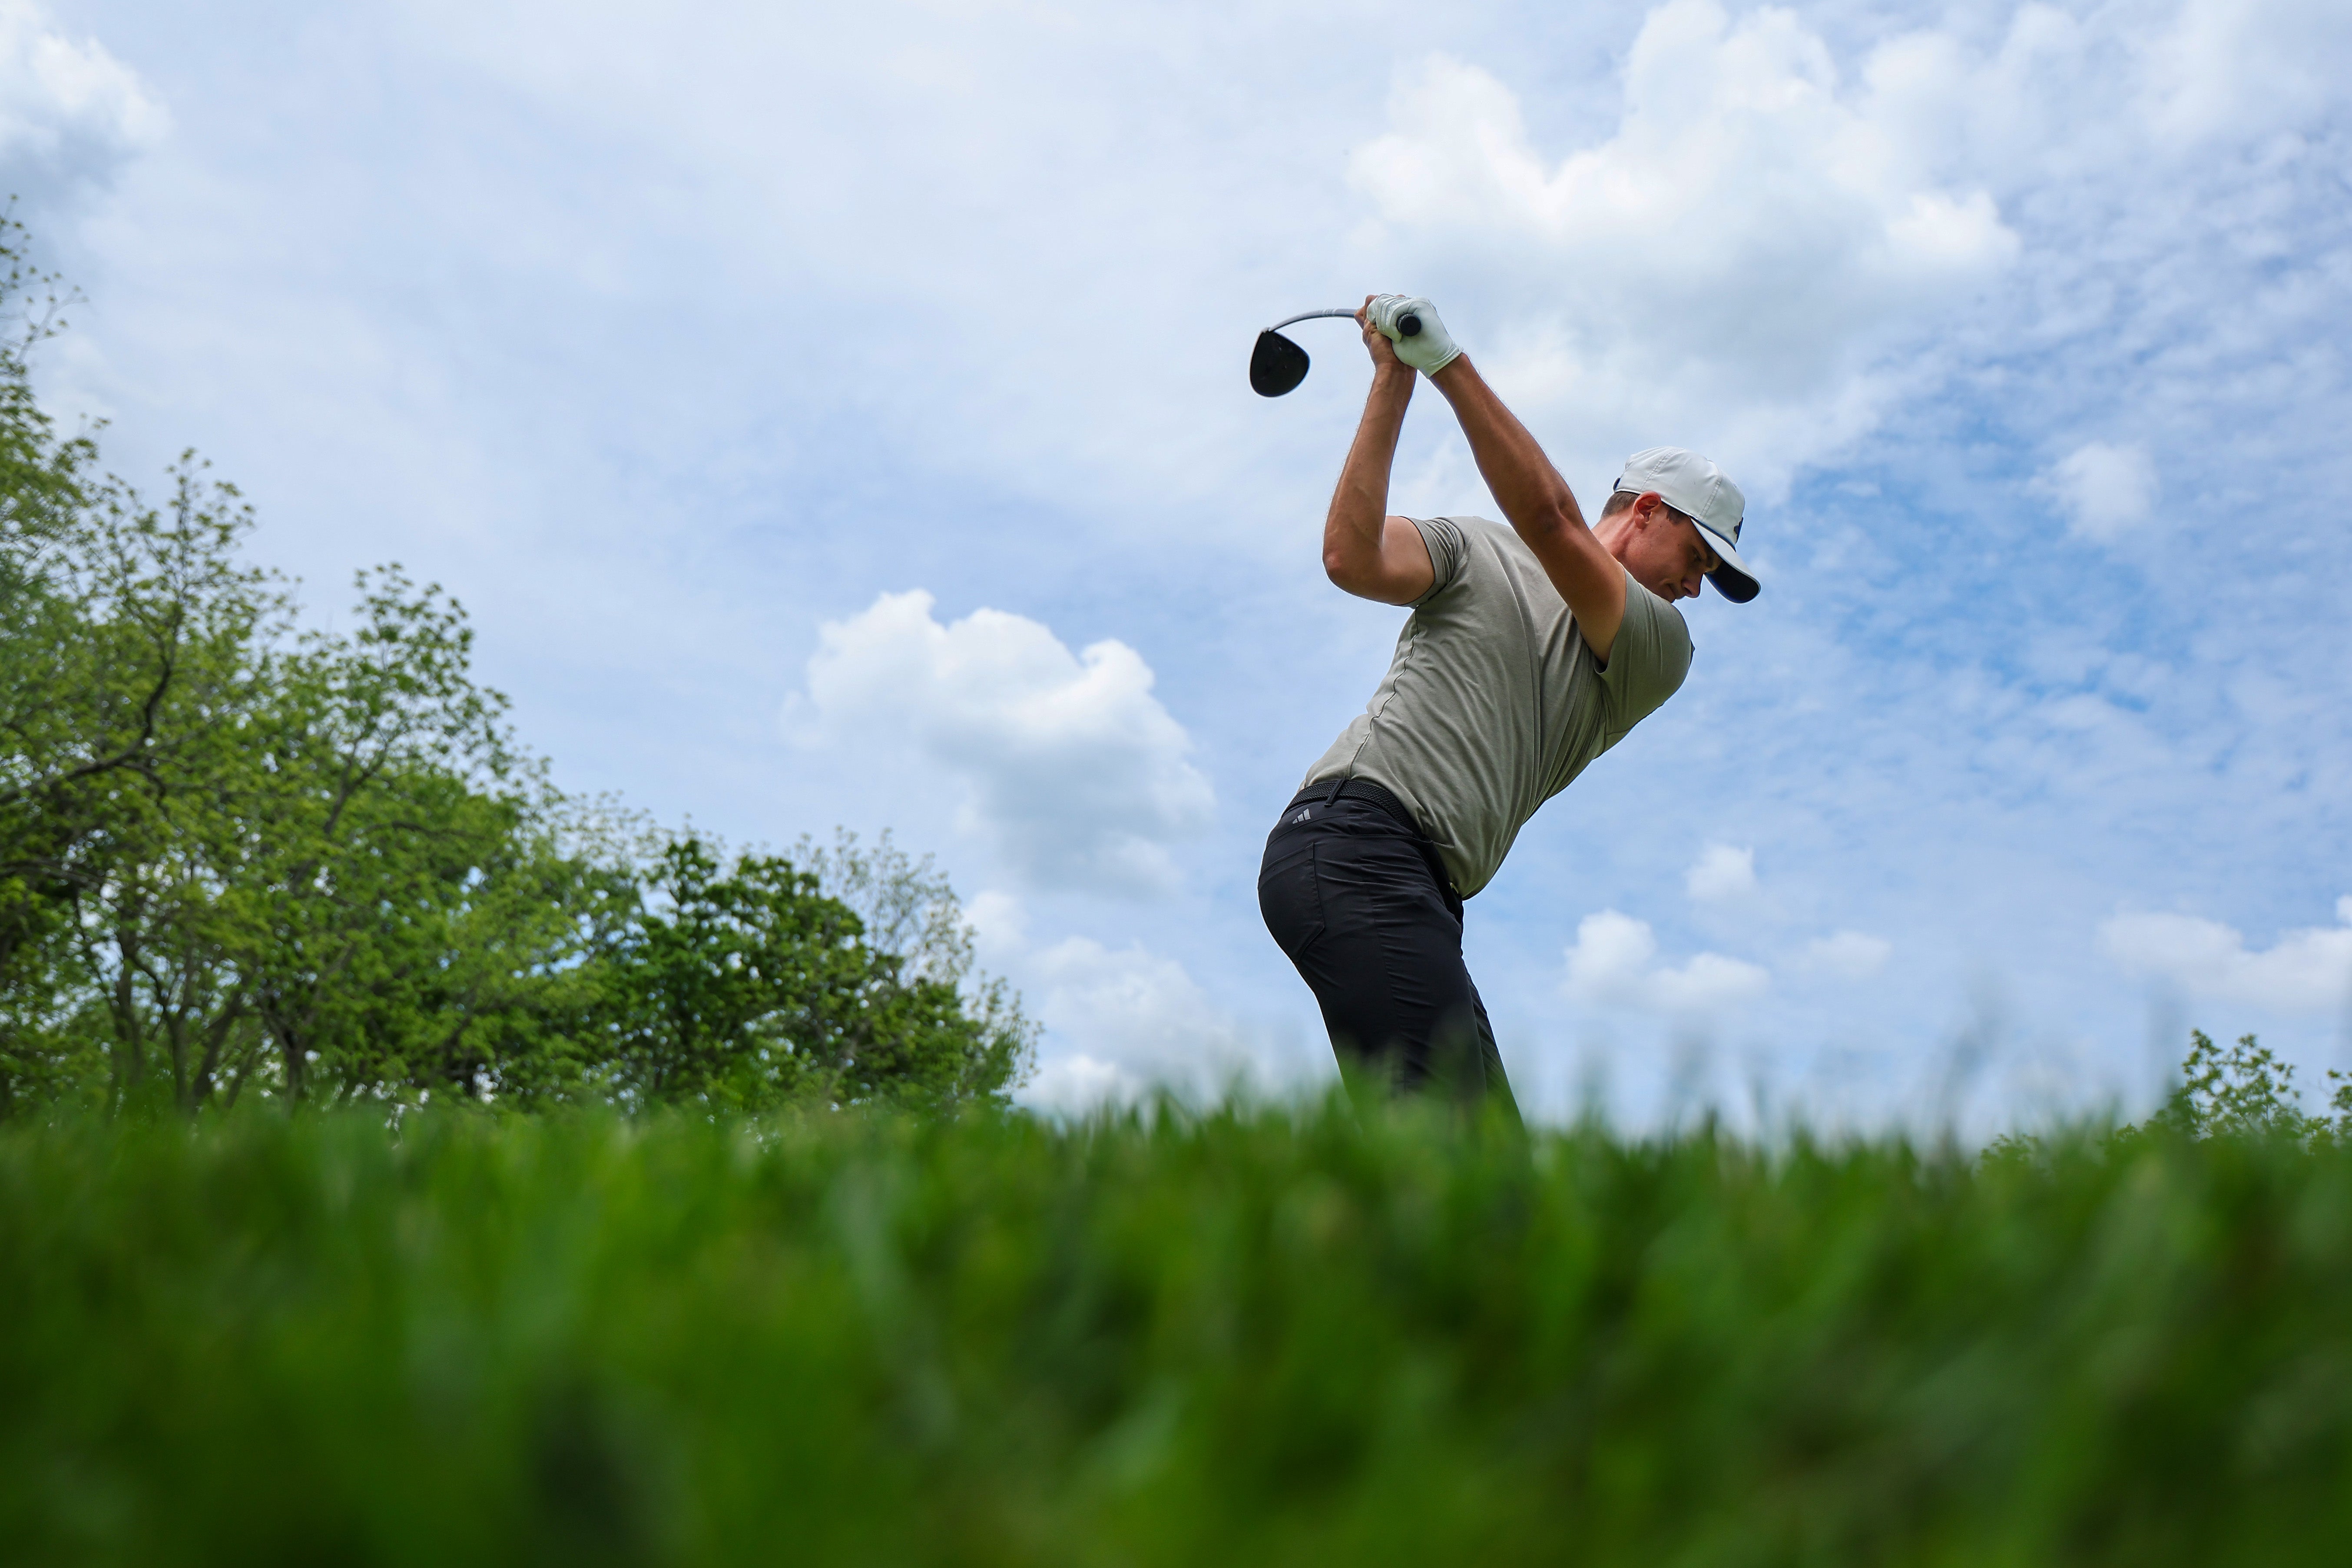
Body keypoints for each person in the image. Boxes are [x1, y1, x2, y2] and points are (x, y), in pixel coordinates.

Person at [1258, 294, 1759, 1121]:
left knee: (1490, 1168)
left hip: (1417, 888)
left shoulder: (1659, 645)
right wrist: (1394, 380)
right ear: (1645, 510)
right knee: (1452, 1152)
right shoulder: (1475, 545)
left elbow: (1555, 523)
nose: (1695, 587)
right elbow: (1351, 557)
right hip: (1351, 842)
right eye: (1697, 555)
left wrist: (1447, 363)